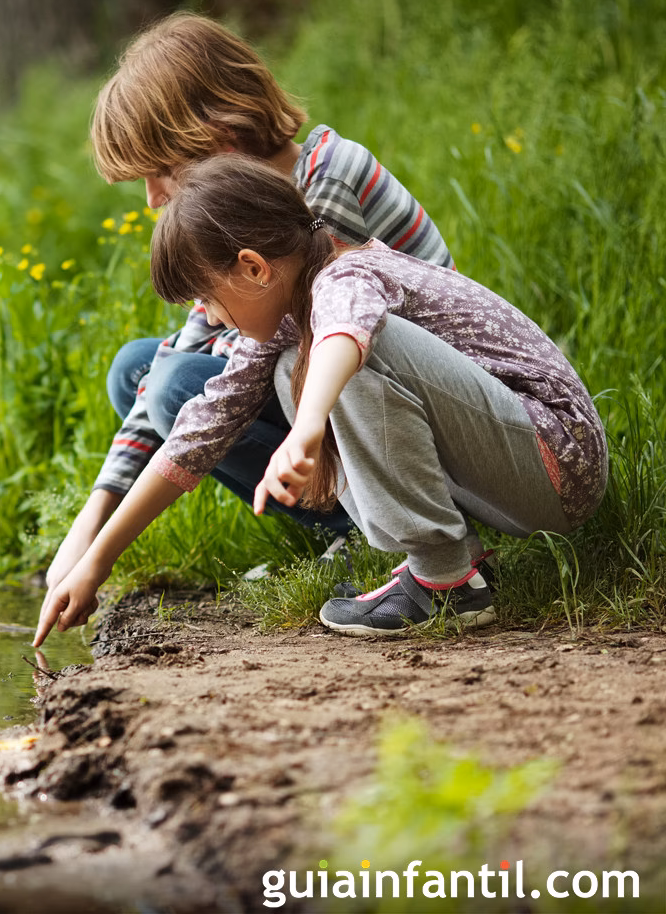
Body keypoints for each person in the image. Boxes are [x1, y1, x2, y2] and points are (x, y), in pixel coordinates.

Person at [34, 155, 607, 645]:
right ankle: (459, 564)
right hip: (508, 469)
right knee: (291, 367)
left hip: (556, 460)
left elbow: (345, 338)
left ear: (254, 268)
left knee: (343, 357)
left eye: (207, 298)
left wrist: (307, 428)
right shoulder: (286, 315)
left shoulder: (347, 273)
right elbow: (198, 433)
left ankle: (445, 580)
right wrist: (97, 560)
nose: (207, 317)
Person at [44, 11, 455, 593]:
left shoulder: (322, 185)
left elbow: (245, 370)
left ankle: (381, 525)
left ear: (220, 142)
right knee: (138, 370)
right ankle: (347, 527)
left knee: (181, 386)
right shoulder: (236, 213)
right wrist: (87, 528)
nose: (153, 198)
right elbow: (186, 347)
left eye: (161, 171)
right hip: (337, 390)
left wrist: (104, 554)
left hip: (414, 412)